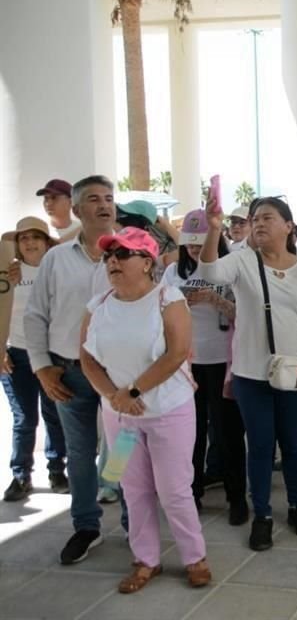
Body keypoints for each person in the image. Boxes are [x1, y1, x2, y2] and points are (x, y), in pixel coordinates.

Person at [79, 227, 210, 592]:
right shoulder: (98, 304)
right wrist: (114, 396)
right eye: (109, 255)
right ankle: (145, 560)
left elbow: (176, 353)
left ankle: (194, 557)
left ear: (148, 262)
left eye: (123, 254)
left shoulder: (169, 299)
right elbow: (87, 358)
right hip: (120, 419)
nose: (113, 261)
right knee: (132, 488)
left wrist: (134, 390)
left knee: (174, 490)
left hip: (169, 412)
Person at [198, 197, 297, 551]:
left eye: (268, 217)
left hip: (294, 371)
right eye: (254, 219)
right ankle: (263, 514)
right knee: (262, 445)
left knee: (294, 445)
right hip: (251, 373)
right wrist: (214, 229)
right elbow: (208, 272)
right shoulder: (242, 260)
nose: (259, 223)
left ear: (288, 226)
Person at [24, 175, 117, 564]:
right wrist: (42, 367)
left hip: (119, 377)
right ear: (77, 210)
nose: (104, 205)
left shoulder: (131, 252)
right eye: (93, 199)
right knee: (79, 453)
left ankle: (134, 521)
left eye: (109, 198)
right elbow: (34, 316)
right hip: (69, 373)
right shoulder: (56, 259)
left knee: (123, 451)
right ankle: (86, 526)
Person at [161, 209, 248, 525]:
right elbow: (161, 312)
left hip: (224, 363)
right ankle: (192, 493)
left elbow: (246, 317)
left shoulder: (229, 269)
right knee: (190, 434)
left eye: (202, 243)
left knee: (229, 434)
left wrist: (216, 300)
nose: (196, 250)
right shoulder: (173, 272)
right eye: (190, 244)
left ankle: (237, 496)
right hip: (186, 365)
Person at [2, 217, 68, 501]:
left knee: (54, 415)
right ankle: (21, 475)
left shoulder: (57, 270)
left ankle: (56, 470)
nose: (30, 243)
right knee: (24, 418)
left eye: (36, 237)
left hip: (50, 354)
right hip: (15, 353)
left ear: (46, 242)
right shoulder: (7, 272)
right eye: (24, 238)